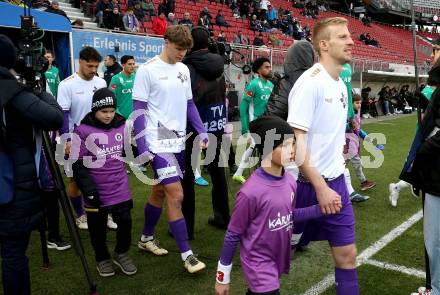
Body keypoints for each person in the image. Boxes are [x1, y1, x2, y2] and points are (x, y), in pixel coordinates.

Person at [214, 116, 332, 295]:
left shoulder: (290, 182)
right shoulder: (250, 192)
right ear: (267, 148)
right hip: (258, 264)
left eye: (293, 144)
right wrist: (222, 277)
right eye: (284, 145)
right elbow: (233, 234)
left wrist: (319, 209)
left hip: (277, 258)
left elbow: (288, 216)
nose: (292, 150)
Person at [287, 17, 360, 294]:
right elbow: (299, 144)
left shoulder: (340, 84)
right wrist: (320, 188)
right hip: (302, 187)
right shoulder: (310, 83)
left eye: (349, 36)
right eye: (343, 37)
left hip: (336, 183)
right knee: (276, 259)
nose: (351, 41)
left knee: (347, 256)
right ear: (324, 45)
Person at [132, 25, 208, 273]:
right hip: (156, 143)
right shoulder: (147, 70)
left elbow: (189, 105)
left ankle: (145, 239)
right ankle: (187, 255)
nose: (182, 54)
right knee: (176, 194)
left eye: (185, 50)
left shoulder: (184, 69)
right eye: (178, 49)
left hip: (178, 142)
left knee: (160, 192)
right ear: (165, 42)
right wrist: (143, 145)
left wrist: (202, 130)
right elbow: (138, 110)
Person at [0, 34, 63, 295]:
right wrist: (40, 91)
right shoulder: (10, 89)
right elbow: (53, 118)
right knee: (14, 253)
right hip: (11, 185)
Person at [72, 88, 137, 277]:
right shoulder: (82, 131)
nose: (109, 115)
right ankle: (102, 258)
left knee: (125, 222)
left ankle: (121, 252)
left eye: (111, 111)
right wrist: (88, 188)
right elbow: (77, 163)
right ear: (94, 110)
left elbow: (125, 150)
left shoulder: (122, 125)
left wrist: (141, 152)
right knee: (97, 228)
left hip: (120, 187)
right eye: (104, 111)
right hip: (95, 189)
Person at [57, 47, 116, 230]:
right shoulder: (67, 84)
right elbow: (63, 115)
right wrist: (66, 140)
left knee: (104, 179)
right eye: (89, 66)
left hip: (100, 140)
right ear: (80, 61)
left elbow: (108, 111)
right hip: (76, 141)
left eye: (96, 66)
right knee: (75, 180)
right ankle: (81, 215)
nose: (93, 70)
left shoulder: (100, 82)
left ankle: (106, 215)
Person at [182, 27, 230, 238]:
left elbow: (186, 100)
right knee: (218, 172)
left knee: (187, 176)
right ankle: (222, 217)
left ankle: (186, 227)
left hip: (194, 128)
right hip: (215, 125)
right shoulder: (219, 64)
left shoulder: (186, 68)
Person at [404, 52, 440, 295]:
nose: (434, 55)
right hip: (433, 173)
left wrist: (422, 154)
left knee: (434, 239)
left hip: (437, 175)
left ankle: (435, 288)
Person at [232, 57, 273, 184]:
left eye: (270, 66)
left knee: (264, 148)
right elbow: (243, 106)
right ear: (259, 70)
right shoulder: (253, 84)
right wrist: (245, 126)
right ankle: (241, 174)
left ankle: (251, 174)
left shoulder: (271, 85)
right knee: (256, 146)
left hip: (267, 121)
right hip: (255, 122)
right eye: (266, 67)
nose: (270, 69)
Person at [344, 93, 383, 203]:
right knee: (350, 164)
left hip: (353, 143)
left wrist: (370, 141)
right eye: (357, 103)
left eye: (360, 103)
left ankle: (362, 182)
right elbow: (340, 126)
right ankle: (363, 182)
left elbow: (359, 130)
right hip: (347, 144)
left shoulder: (356, 113)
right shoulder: (346, 114)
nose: (359, 105)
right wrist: (348, 126)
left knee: (345, 165)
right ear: (351, 104)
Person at [110, 55, 136, 120]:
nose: (132, 66)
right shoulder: (116, 79)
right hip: (121, 117)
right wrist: (118, 114)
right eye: (129, 64)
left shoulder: (136, 77)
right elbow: (111, 98)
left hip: (134, 116)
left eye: (133, 64)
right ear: (123, 65)